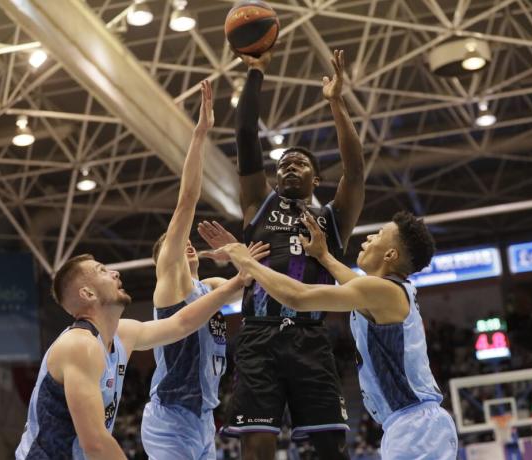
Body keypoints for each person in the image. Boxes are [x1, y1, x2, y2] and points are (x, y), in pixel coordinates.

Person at [208, 210, 458, 460]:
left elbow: (298, 297)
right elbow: (352, 283)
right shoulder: (387, 291)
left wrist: (247, 261)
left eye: (378, 235)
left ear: (391, 254)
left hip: (416, 426)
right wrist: (324, 256)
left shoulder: (381, 290)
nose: (368, 238)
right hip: (414, 424)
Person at [219, 46, 365, 459]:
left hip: (310, 338)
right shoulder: (257, 205)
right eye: (283, 162)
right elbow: (246, 136)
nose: (288, 165)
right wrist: (256, 73)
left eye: (299, 162)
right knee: (258, 448)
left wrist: (336, 103)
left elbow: (355, 171)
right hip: (258, 335)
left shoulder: (333, 218)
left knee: (331, 449)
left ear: (317, 178)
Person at [140, 80, 269, 459]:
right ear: (164, 259)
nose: (183, 244)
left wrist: (237, 252)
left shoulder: (211, 283)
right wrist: (200, 135)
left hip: (203, 419)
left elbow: (258, 285)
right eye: (173, 243)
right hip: (170, 418)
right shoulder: (171, 283)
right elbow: (186, 204)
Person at [15, 254, 247, 460]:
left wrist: (233, 285)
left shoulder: (122, 334)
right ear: (87, 293)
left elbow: (181, 324)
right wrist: (185, 204)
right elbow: (95, 443)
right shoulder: (79, 345)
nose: (115, 272)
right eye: (102, 271)